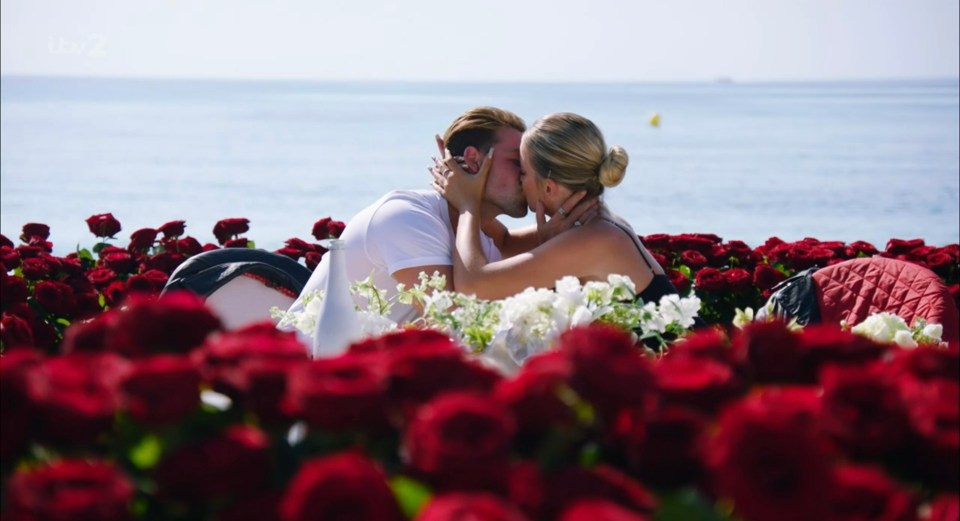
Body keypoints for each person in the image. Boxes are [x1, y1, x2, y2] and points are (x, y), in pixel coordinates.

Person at [285, 107, 594, 334]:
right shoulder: (406, 218)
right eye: (517, 163)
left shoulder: (475, 231)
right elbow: (456, 322)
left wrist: (572, 221)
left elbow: (509, 243)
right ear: (473, 160)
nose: (529, 176)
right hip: (305, 375)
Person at [432, 112, 678, 303]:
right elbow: (504, 243)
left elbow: (473, 287)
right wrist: (464, 180)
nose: (519, 178)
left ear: (548, 188)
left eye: (523, 171)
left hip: (678, 363)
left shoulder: (595, 239)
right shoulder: (593, 223)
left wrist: (467, 206)